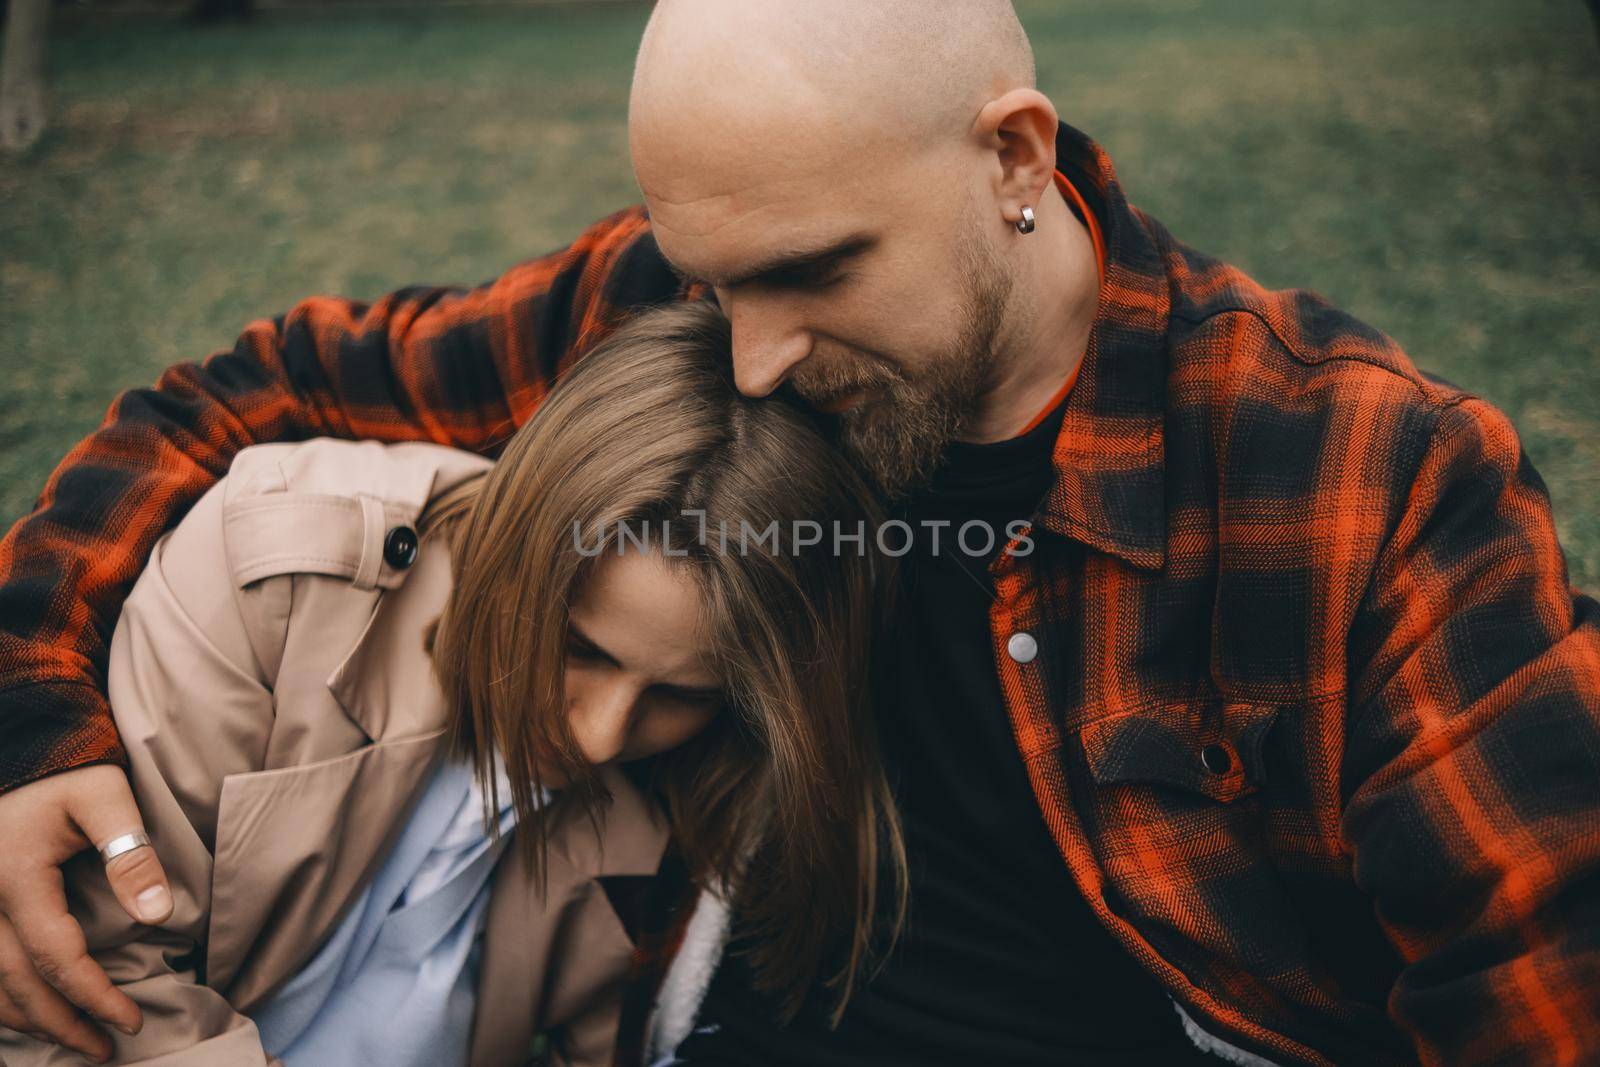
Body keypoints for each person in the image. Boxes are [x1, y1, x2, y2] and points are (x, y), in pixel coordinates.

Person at [1, 0, 1597, 1064]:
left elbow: (1540, 974)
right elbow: (244, 395)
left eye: (816, 271)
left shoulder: (1356, 477)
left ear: (1015, 159)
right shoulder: (683, 314)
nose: (751, 356)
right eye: (714, 278)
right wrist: (31, 715)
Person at [0, 302, 906, 1065]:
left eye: (684, 693)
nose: (600, 737)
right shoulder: (281, 577)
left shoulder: (659, 833)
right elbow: (89, 982)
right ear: (520, 548)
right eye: (581, 646)